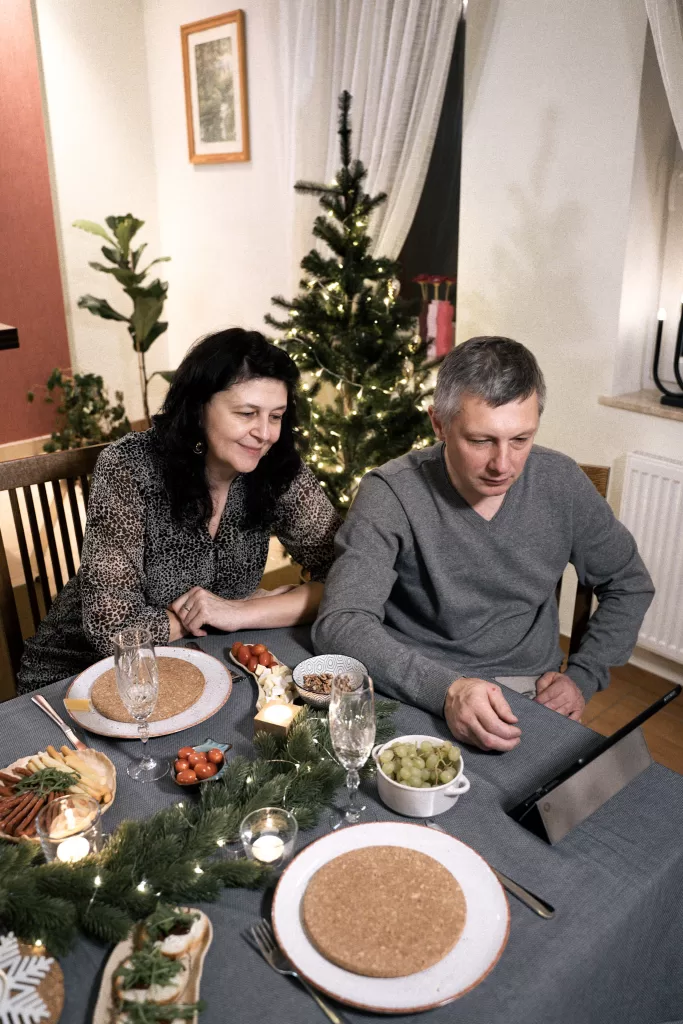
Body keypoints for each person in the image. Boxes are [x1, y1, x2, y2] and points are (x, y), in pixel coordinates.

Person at [312, 337, 654, 752]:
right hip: (413, 683)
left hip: (525, 693)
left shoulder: (561, 482)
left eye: (521, 439)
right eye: (481, 441)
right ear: (438, 423)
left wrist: (582, 677)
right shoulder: (390, 492)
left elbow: (629, 583)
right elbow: (341, 622)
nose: (503, 465)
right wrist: (447, 690)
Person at [18, 329, 342, 692]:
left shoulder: (277, 469)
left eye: (276, 416)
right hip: (78, 676)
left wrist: (238, 612)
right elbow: (112, 630)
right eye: (247, 413)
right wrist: (206, 615)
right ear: (199, 407)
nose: (264, 433)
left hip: (199, 664)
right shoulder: (130, 467)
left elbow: (351, 576)